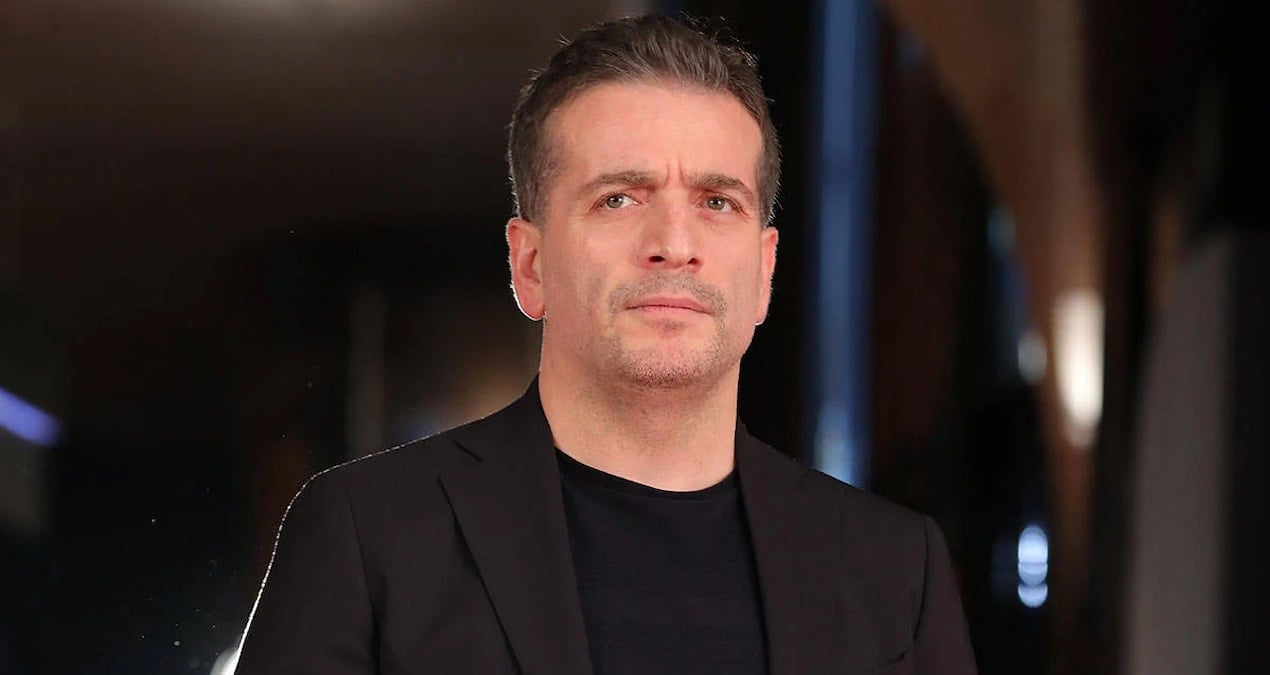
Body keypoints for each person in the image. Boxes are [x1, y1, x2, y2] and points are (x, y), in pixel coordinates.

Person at [235, 14, 977, 675]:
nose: (674, 244)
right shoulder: (368, 536)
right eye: (618, 198)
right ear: (530, 266)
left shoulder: (894, 568)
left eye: (717, 202)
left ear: (765, 272)